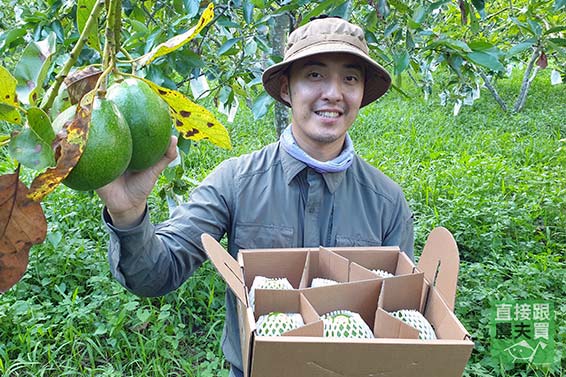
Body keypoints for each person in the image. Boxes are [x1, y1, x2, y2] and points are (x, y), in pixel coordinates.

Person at [97, 15, 414, 377]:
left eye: (350, 78)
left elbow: (400, 313)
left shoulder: (387, 202)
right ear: (285, 89)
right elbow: (157, 273)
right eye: (314, 75)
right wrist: (128, 214)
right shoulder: (235, 182)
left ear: (360, 93)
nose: (333, 93)